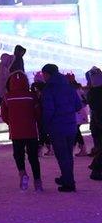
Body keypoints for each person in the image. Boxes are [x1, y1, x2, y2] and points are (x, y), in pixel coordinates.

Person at [40, 64, 80, 192]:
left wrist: (44, 126)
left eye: (44, 74)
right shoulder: (69, 86)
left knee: (62, 155)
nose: (43, 77)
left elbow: (48, 110)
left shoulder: (49, 89)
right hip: (71, 126)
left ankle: (69, 183)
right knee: (68, 154)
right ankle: (67, 177)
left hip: (57, 127)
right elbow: (78, 105)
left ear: (48, 74)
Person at [0, 72, 42, 191]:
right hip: (31, 131)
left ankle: (22, 173)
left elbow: (4, 116)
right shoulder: (31, 96)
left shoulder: (7, 97)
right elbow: (38, 113)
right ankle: (38, 181)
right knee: (33, 157)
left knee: (18, 155)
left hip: (16, 132)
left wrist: (12, 122)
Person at [87, 67, 102, 157]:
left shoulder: (92, 92)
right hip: (96, 121)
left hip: (97, 121)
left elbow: (93, 106)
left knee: (98, 144)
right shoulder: (92, 92)